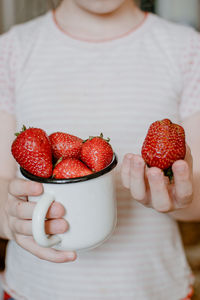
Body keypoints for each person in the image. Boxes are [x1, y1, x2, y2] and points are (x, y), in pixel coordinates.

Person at [0, 0, 200, 299]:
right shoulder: (11, 50)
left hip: (155, 289)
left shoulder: (188, 49)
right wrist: (10, 217)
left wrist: (180, 196)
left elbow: (196, 196)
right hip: (32, 290)